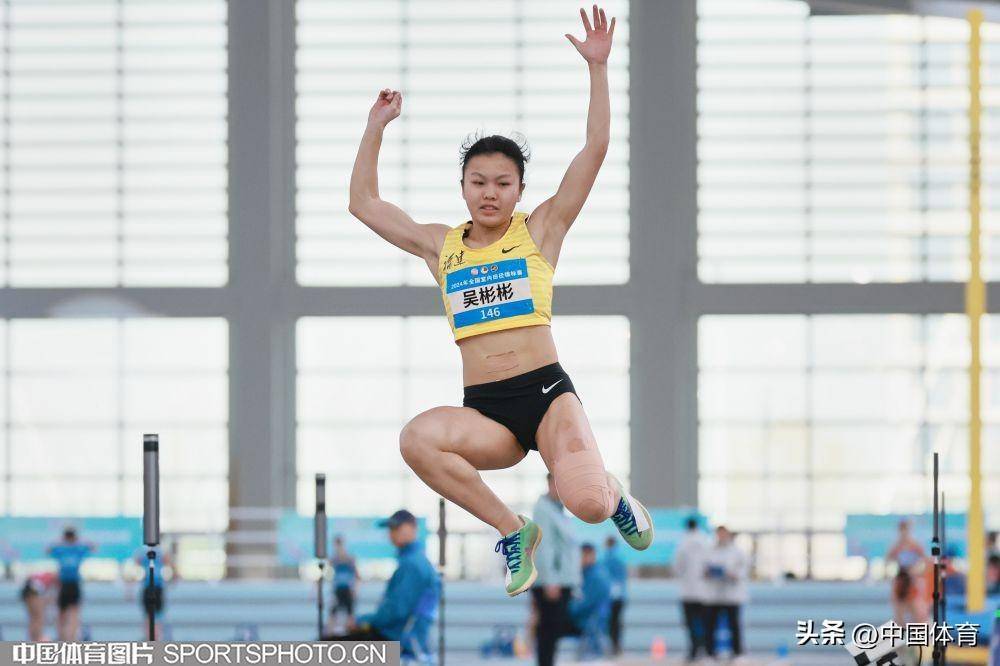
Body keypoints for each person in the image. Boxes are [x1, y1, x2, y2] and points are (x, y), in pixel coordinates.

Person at [347, 3, 653, 598]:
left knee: (585, 503)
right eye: (478, 182)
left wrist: (597, 67)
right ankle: (515, 531)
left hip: (546, 394)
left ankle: (611, 493)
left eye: (502, 183)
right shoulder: (442, 247)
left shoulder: (539, 231)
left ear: (519, 189)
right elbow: (364, 203)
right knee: (416, 440)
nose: (490, 193)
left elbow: (595, 148)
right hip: (488, 410)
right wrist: (376, 126)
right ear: (463, 187)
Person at [324, 509, 438, 654]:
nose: (391, 534)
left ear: (412, 528)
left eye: (396, 528)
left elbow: (396, 612)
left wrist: (361, 621)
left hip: (396, 641)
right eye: (390, 529)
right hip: (402, 637)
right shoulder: (415, 561)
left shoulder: (412, 565)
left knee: (322, 652)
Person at [531, 473, 581, 666]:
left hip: (562, 581)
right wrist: (551, 580)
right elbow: (545, 547)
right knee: (549, 631)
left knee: (553, 631)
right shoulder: (543, 509)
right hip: (553, 583)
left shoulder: (558, 510)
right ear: (550, 483)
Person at [703, 526, 749, 661]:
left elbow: (743, 570)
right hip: (713, 595)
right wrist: (708, 572)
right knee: (710, 626)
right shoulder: (709, 551)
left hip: (732, 595)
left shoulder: (737, 552)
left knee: (734, 626)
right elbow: (702, 568)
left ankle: (738, 653)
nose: (721, 537)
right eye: (719, 534)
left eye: (724, 534)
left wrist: (732, 574)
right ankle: (710, 654)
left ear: (728, 535)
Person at [46, 526, 96, 641]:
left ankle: (68, 638)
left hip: (70, 584)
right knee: (67, 614)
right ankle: (65, 638)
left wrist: (63, 541)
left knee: (69, 614)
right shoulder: (71, 548)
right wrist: (76, 540)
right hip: (66, 584)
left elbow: (48, 549)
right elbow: (93, 547)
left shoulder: (68, 548)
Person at [674, 517, 710, 663]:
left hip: (687, 591)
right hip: (705, 592)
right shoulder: (707, 541)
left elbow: (677, 566)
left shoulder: (683, 543)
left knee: (690, 624)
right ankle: (706, 650)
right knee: (705, 623)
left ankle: (693, 651)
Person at [569, 543, 612, 657]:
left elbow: (582, 604)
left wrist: (566, 608)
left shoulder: (596, 577)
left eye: (581, 556)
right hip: (589, 619)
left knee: (550, 620)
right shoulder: (589, 573)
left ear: (590, 555)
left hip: (589, 621)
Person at [887, 519, 929, 625]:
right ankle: (901, 634)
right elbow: (888, 560)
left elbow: (925, 562)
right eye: (902, 530)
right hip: (901, 578)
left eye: (906, 530)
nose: (904, 533)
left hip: (912, 580)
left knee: (916, 609)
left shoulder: (915, 545)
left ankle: (920, 633)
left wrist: (916, 571)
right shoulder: (897, 546)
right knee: (899, 610)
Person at [132, 543, 172, 640]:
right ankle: (153, 637)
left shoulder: (143, 551)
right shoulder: (161, 550)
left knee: (151, 616)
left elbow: (136, 563)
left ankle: (152, 637)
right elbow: (168, 563)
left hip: (152, 586)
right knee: (154, 616)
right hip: (154, 586)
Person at [600, 535, 627, 655]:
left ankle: (609, 645)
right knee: (617, 621)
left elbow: (602, 578)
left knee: (608, 622)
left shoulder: (604, 558)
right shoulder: (620, 558)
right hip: (620, 595)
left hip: (608, 596)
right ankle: (617, 646)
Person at [330, 535, 360, 624]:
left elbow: (357, 575)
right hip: (338, 589)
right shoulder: (334, 559)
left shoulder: (349, 558)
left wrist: (355, 589)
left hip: (348, 589)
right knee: (333, 613)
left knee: (350, 614)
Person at [20, 571, 57, 641]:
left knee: (34, 618)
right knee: (38, 617)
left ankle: (34, 638)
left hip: (28, 590)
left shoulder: (45, 577)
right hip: (32, 590)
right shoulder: (51, 578)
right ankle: (37, 637)